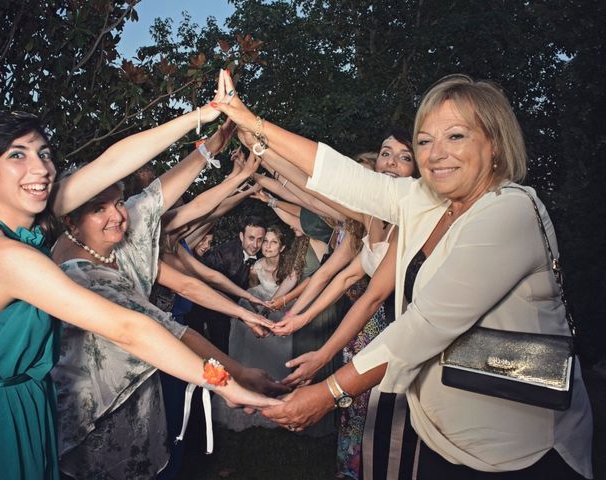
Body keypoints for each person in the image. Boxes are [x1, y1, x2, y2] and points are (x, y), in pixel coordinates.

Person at [214, 73, 593, 479]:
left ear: (495, 144)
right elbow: (347, 177)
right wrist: (250, 121)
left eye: (456, 136)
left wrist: (328, 392)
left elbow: (426, 324)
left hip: (521, 452)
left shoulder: (509, 212)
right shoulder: (426, 202)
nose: (436, 153)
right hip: (441, 441)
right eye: (426, 140)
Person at [0, 71, 279, 480]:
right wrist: (228, 385)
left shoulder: (25, 227)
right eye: (16, 155)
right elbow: (129, 327)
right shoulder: (3, 255)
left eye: (43, 153)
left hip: (30, 402)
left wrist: (201, 116)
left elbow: (113, 162)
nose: (40, 168)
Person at [51, 137, 278, 479]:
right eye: (99, 208)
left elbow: (156, 200)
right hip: (96, 415)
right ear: (71, 222)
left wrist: (213, 143)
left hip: (144, 389)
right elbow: (162, 329)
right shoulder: (81, 275)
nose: (116, 215)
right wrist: (235, 375)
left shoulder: (117, 243)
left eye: (118, 202)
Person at [271, 135, 416, 480]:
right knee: (359, 413)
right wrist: (299, 316)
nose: (392, 162)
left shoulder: (411, 220)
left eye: (404, 156)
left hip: (399, 339)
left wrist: (321, 354)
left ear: (416, 171)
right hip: (366, 331)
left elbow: (374, 296)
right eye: (385, 153)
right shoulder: (370, 220)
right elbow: (342, 278)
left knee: (391, 430)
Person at [215, 224, 305, 431]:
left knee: (279, 336)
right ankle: (248, 387)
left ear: (282, 247)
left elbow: (288, 292)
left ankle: (276, 387)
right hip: (259, 305)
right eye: (266, 241)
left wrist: (273, 307)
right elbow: (253, 290)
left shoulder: (289, 267)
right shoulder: (255, 267)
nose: (268, 246)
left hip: (282, 305)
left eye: (274, 242)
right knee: (244, 323)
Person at [188, 215, 267, 353]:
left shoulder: (263, 255)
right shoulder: (221, 255)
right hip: (209, 311)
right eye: (251, 238)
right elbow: (212, 287)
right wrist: (245, 315)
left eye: (260, 240)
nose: (255, 245)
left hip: (234, 312)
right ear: (241, 236)